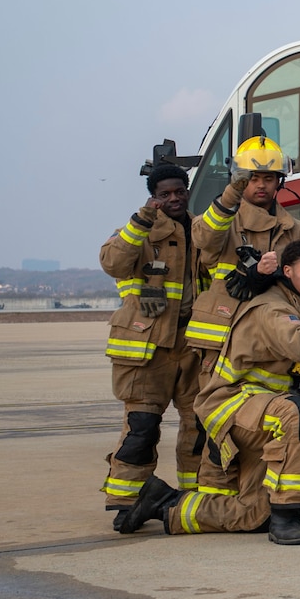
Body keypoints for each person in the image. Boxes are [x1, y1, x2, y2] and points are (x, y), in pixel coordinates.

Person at [117, 238, 300, 545]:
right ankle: (286, 516)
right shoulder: (273, 309)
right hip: (232, 402)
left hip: (259, 409)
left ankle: (165, 503)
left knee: (254, 514)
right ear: (287, 271)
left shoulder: (298, 303)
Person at [99, 160, 203, 525]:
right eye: (164, 194)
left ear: (188, 192)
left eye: (179, 192)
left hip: (194, 347)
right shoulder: (135, 230)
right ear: (153, 198)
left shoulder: (202, 231)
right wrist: (143, 219)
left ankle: (195, 498)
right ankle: (125, 502)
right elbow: (112, 262)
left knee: (199, 427)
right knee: (142, 427)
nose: (173, 198)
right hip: (148, 350)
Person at [185, 134, 300, 359]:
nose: (261, 185)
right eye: (253, 178)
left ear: (279, 181)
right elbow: (203, 238)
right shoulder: (222, 221)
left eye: (269, 178)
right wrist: (230, 197)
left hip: (275, 339)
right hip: (223, 339)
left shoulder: (296, 230)